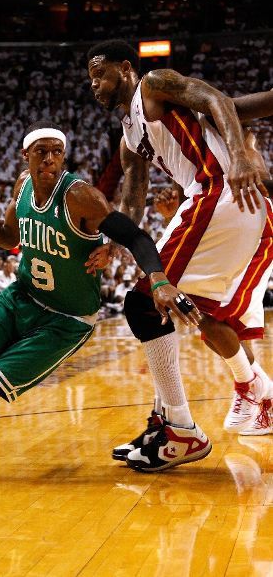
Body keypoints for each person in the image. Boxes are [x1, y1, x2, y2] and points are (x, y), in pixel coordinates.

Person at [0, 120, 202, 481]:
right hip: (21, 297)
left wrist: (157, 279)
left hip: (66, 320)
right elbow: (8, 235)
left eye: (57, 152)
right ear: (26, 156)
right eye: (42, 152)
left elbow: (137, 237)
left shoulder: (81, 197)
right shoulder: (23, 186)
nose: (50, 159)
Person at [86, 40, 273, 470]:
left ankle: (185, 429)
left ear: (125, 68)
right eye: (90, 79)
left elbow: (216, 99)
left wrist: (240, 156)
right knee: (183, 310)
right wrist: (115, 242)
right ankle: (215, 401)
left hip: (218, 192)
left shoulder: (154, 85)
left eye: (99, 74)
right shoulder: (129, 136)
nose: (94, 84)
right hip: (220, 204)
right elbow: (133, 197)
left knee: (144, 302)